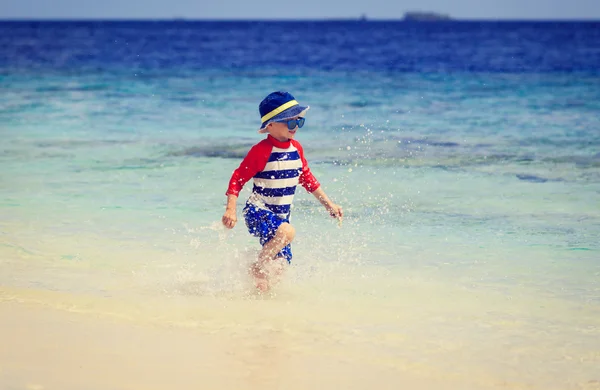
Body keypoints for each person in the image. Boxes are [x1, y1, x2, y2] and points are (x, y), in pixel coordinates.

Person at [221, 91, 343, 292]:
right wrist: (230, 210)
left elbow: (307, 179)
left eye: (299, 122)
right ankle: (256, 266)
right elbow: (237, 179)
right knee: (287, 232)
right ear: (270, 125)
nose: (296, 127)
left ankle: (258, 308)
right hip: (258, 212)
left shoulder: (296, 149)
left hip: (281, 218)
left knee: (277, 272)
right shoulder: (261, 151)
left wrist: (330, 205)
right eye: (290, 122)